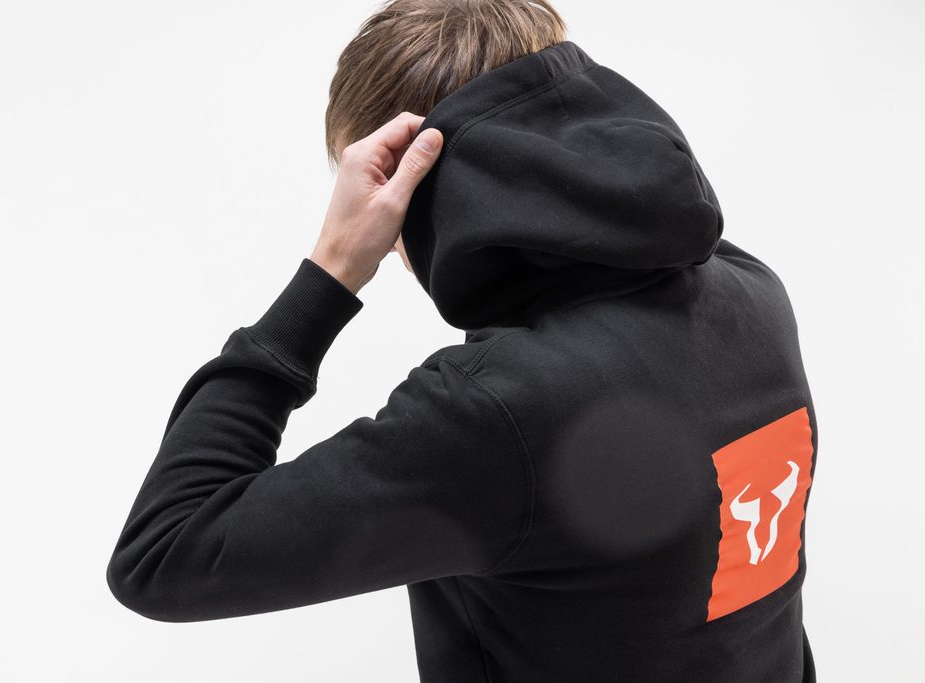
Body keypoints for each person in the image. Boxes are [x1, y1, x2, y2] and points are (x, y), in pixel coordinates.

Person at [106, 2, 819, 681]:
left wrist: (330, 270)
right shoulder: (750, 289)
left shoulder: (498, 410)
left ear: (421, 185)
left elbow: (162, 553)